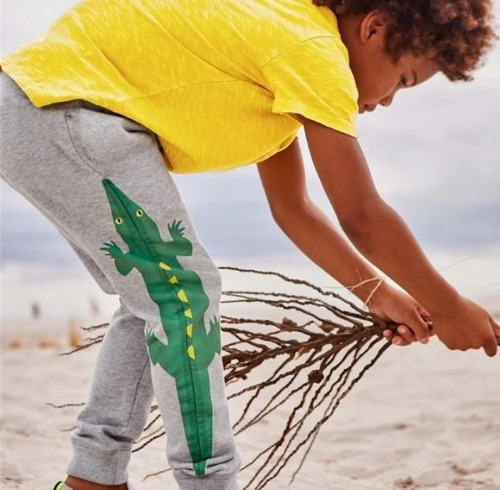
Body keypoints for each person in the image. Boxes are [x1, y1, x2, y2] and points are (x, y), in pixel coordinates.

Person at [1, 0, 499, 489]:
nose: (389, 100)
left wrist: (380, 294)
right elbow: (362, 216)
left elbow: (295, 210)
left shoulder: (283, 45)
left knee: (159, 299)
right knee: (184, 294)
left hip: (39, 107)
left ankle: (93, 477)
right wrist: (448, 305)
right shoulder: (312, 49)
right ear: (374, 27)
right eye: (405, 79)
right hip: (61, 106)